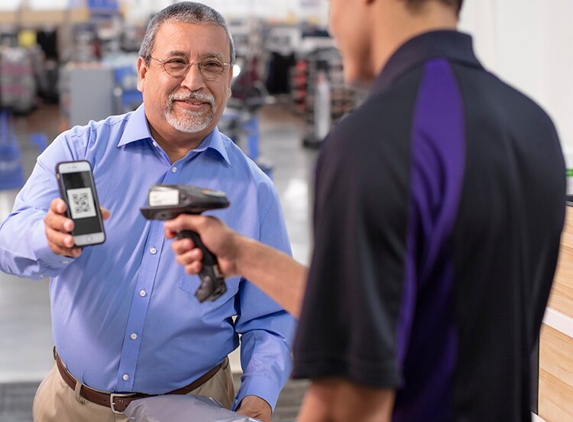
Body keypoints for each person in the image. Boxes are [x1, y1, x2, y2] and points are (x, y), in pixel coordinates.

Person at [164, 0, 567, 421]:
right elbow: (418, 308)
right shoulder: (532, 126)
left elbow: (347, 399)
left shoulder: (375, 139)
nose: (333, 22)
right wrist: (241, 254)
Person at [0, 3, 295, 422]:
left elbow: (270, 317)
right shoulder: (80, 151)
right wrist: (46, 238)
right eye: (176, 62)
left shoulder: (253, 191)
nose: (193, 82)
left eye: (212, 65)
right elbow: (8, 242)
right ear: (142, 71)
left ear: (229, 78)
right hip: (71, 406)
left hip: (195, 407)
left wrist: (259, 395)